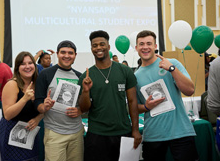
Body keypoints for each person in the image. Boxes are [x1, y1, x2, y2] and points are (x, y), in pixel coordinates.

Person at [78, 30, 142, 161]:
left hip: (123, 132)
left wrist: (135, 130)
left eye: (102, 44)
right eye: (95, 45)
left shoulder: (124, 70)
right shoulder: (86, 76)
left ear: (108, 46)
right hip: (97, 134)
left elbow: (132, 101)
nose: (98, 48)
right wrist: (85, 91)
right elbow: (84, 108)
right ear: (91, 49)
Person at [135, 30, 198, 161]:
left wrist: (172, 69)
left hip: (181, 132)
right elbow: (134, 107)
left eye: (149, 43)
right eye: (141, 44)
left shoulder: (172, 63)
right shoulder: (135, 76)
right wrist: (146, 106)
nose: (145, 47)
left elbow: (190, 90)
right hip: (153, 135)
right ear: (136, 48)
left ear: (155, 46)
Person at [35, 40, 84, 161]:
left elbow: (86, 103)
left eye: (70, 53)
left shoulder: (80, 76)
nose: (66, 56)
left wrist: (80, 111)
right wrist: (44, 107)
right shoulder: (46, 74)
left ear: (75, 55)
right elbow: (38, 102)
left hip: (76, 133)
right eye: (63, 52)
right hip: (54, 133)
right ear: (57, 54)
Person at [0, 51, 43, 160]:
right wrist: (24, 99)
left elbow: (44, 108)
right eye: (23, 64)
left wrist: (37, 118)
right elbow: (8, 115)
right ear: (17, 68)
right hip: (11, 132)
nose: (27, 66)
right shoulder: (12, 85)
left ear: (35, 65)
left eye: (30, 63)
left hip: (31, 132)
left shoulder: (39, 84)